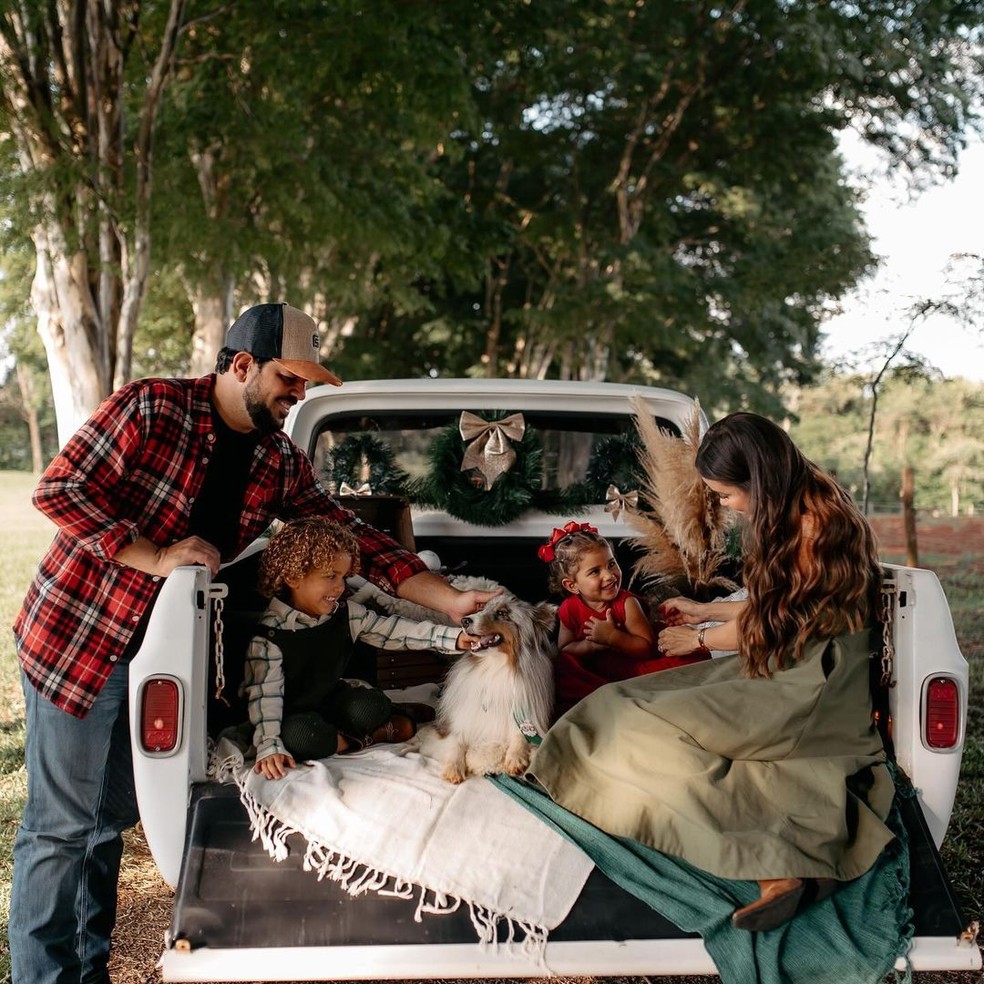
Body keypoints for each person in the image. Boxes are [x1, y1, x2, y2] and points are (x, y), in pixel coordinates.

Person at [9, 302, 495, 984]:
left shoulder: (275, 460)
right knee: (61, 828)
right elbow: (60, 489)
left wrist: (447, 599)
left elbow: (351, 534)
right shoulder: (151, 408)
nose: (298, 397)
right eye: (289, 381)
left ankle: (84, 969)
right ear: (242, 364)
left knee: (107, 817)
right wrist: (154, 555)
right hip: (81, 643)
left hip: (162, 663)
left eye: (303, 387)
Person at [528, 412, 894, 933]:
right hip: (784, 657)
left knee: (641, 727)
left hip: (811, 681)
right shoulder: (797, 507)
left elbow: (780, 626)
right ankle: (782, 859)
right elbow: (777, 607)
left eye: (725, 494)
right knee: (617, 703)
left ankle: (777, 861)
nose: (724, 505)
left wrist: (698, 639)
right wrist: (705, 612)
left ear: (757, 479)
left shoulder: (818, 526)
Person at [245, 517, 477, 780]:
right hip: (292, 715)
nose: (340, 587)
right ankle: (369, 737)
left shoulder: (346, 613)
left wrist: (454, 638)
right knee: (300, 739)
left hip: (332, 700)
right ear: (293, 577)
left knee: (370, 706)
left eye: (344, 576)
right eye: (331, 576)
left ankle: (395, 714)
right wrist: (268, 745)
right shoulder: (270, 637)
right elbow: (266, 698)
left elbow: (397, 632)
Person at [539, 521, 707, 717]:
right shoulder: (569, 609)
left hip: (633, 665)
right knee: (562, 668)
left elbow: (645, 647)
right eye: (595, 571)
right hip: (597, 668)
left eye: (611, 564)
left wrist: (612, 638)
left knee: (682, 668)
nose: (609, 575)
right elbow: (565, 647)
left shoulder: (626, 603)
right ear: (572, 585)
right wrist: (592, 646)